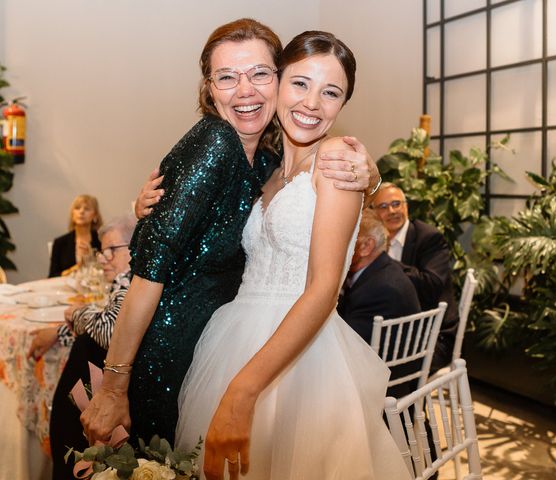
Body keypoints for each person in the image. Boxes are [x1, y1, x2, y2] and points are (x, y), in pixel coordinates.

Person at [81, 18, 380, 448]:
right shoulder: (216, 142)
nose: (245, 90)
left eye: (259, 73)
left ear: (275, 79)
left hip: (229, 350)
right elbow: (151, 268)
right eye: (227, 77)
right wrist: (113, 385)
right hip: (163, 351)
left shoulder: (268, 165)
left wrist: (372, 177)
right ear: (209, 89)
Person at [176, 30, 407, 480]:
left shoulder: (338, 158)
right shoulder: (266, 169)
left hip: (301, 359)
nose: (312, 104)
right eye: (300, 83)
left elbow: (323, 289)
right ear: (278, 83)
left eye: (331, 92)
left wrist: (243, 390)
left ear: (343, 105)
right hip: (235, 339)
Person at [29, 214, 136, 480]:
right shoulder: (124, 284)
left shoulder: (133, 283)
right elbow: (97, 331)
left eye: (112, 249)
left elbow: (109, 333)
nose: (103, 258)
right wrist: (62, 331)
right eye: (102, 251)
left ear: (135, 249)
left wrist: (75, 313)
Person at [371, 182, 458, 372]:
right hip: (393, 332)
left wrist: (385, 261)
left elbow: (432, 286)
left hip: (432, 337)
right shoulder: (372, 240)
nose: (392, 211)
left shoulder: (428, 238)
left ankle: (402, 402)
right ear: (374, 213)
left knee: (376, 369)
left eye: (396, 204)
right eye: (383, 207)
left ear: (406, 207)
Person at [337, 209, 421, 399]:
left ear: (367, 246)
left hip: (378, 388)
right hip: (385, 370)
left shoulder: (380, 289)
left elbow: (346, 346)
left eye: (344, 240)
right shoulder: (382, 271)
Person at [48, 194, 102, 277]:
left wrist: (91, 257)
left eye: (86, 209)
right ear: (72, 214)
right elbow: (52, 276)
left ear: (95, 216)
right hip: (65, 288)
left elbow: (108, 270)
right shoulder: (60, 242)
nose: (81, 212)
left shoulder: (102, 240)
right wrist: (78, 266)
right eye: (77, 208)